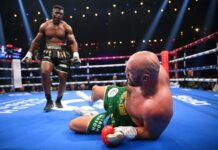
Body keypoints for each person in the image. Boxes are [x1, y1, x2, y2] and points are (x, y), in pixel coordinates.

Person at [69, 51, 173, 146]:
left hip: (122, 118)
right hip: (122, 94)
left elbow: (151, 134)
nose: (125, 75)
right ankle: (90, 101)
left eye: (129, 74)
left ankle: (90, 114)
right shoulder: (154, 68)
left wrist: (128, 131)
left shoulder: (158, 108)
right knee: (95, 89)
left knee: (73, 124)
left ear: (145, 78)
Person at [22, 5, 81, 112]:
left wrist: (76, 55)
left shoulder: (66, 27)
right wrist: (29, 53)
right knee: (44, 72)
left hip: (62, 53)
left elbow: (72, 42)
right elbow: (36, 41)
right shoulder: (45, 26)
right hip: (48, 52)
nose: (58, 15)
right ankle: (49, 100)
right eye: (57, 13)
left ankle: (58, 100)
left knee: (63, 77)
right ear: (52, 13)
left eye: (61, 14)